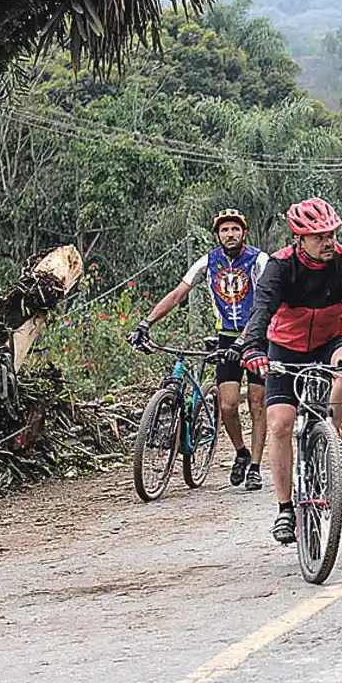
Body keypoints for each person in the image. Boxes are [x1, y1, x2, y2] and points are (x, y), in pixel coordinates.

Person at [231, 198, 342, 545]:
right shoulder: (280, 265)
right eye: (319, 237)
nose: (327, 242)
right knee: (280, 424)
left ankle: (330, 436)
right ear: (299, 238)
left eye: (331, 234)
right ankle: (285, 509)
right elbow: (261, 311)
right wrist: (253, 349)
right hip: (284, 346)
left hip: (329, 341)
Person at [129, 209, 270, 490]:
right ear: (217, 236)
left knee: (257, 403)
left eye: (235, 229)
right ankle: (241, 452)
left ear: (244, 233)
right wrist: (146, 323)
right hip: (226, 338)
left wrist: (245, 340)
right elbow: (176, 295)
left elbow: (266, 303)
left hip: (258, 337)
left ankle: (255, 466)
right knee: (227, 405)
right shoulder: (208, 261)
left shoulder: (259, 259)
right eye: (225, 230)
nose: (230, 234)